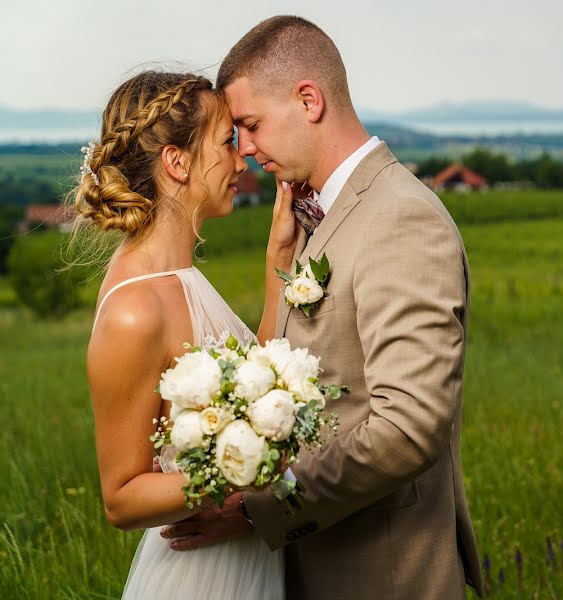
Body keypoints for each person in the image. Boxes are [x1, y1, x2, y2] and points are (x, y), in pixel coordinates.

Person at [160, 15, 485, 600]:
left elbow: (409, 425)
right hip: (316, 563)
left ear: (308, 100)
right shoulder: (318, 216)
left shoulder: (399, 218)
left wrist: (259, 508)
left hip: (381, 573)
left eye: (251, 125)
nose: (246, 150)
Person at [76, 70, 299, 599]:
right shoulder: (136, 309)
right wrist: (246, 473)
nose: (242, 160)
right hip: (200, 576)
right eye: (226, 142)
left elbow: (249, 391)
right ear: (177, 162)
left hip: (243, 557)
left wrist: (277, 264)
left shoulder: (182, 278)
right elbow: (122, 497)